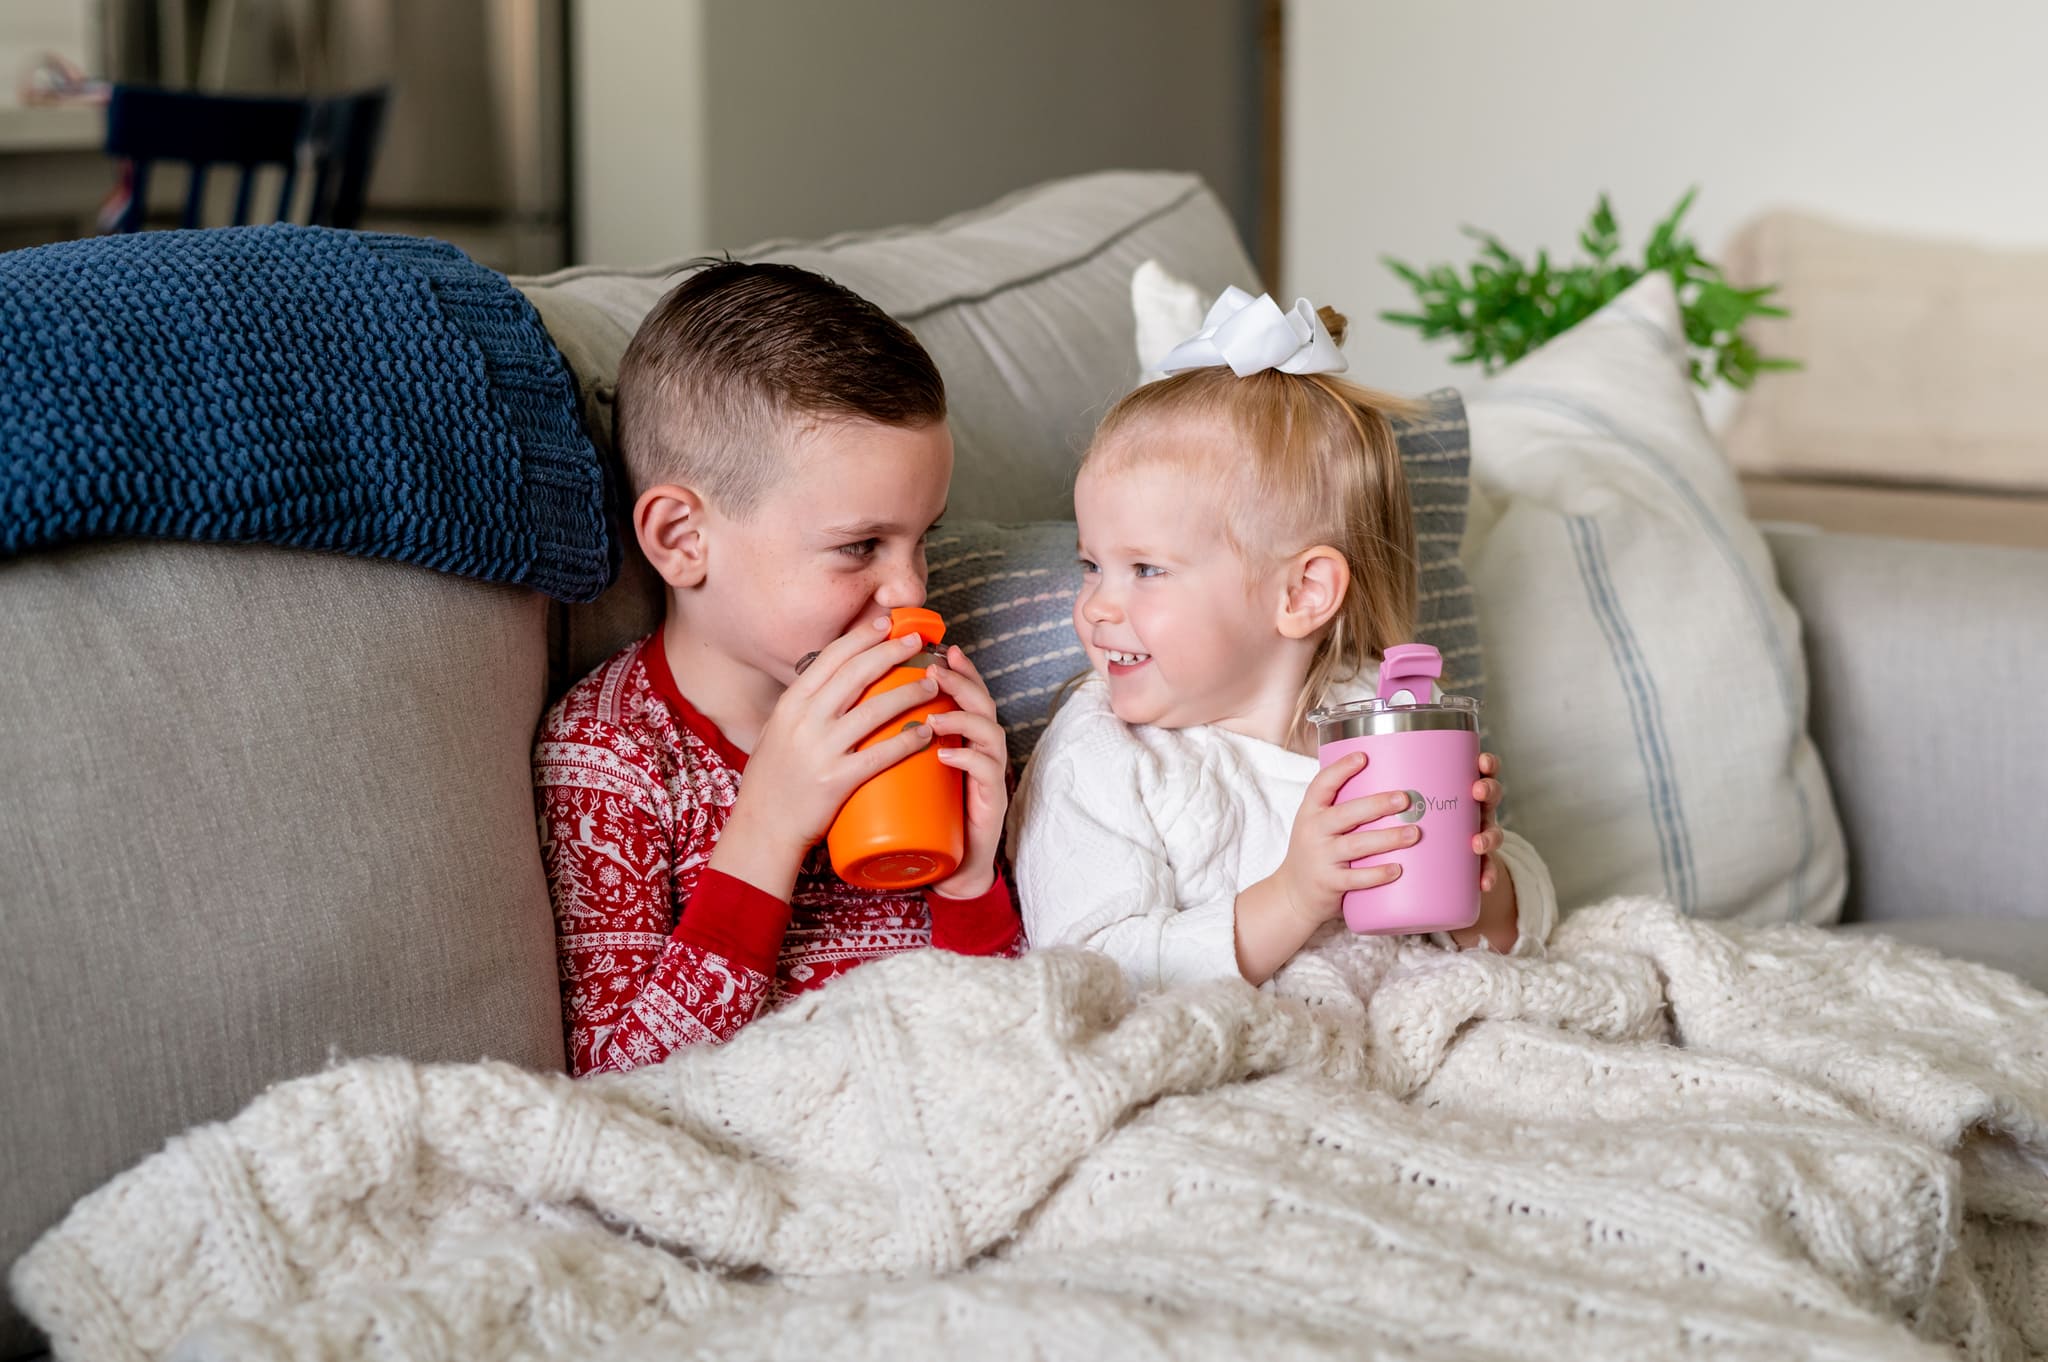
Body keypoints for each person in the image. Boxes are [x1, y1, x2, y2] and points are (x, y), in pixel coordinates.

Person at [535, 261, 1020, 1075]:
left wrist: (972, 879)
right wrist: (764, 830)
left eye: (922, 539)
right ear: (683, 540)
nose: (909, 589)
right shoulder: (611, 756)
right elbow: (620, 1083)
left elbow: (1007, 1029)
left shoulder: (916, 719)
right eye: (860, 546)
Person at [1010, 286, 1555, 994]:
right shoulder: (1102, 757)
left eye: (1146, 569)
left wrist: (1482, 884)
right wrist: (1294, 897)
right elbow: (1089, 969)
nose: (1097, 607)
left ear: (1301, 594)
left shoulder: (1384, 716)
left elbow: (1523, 934)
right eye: (1092, 566)